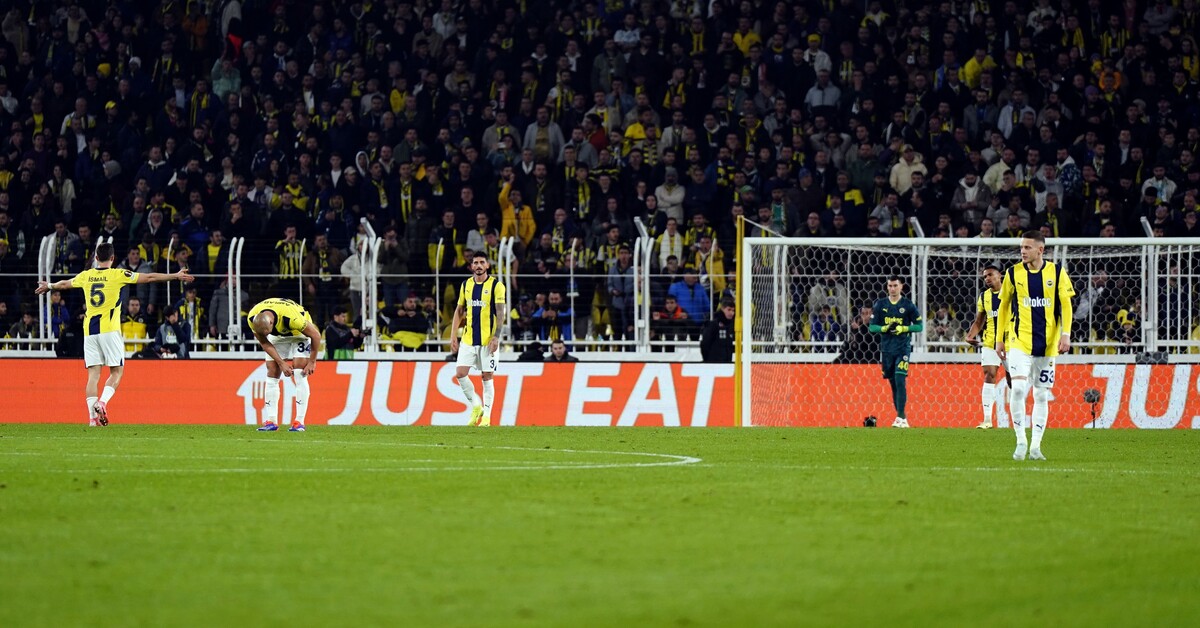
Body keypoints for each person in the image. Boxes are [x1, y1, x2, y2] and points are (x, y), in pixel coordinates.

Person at [34, 242, 193, 426]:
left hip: (90, 332)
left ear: (96, 258)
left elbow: (64, 284)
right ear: (112, 258)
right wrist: (175, 275)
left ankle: (92, 419)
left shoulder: (86, 275)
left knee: (93, 376)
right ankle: (102, 403)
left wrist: (49, 285)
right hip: (109, 330)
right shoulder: (118, 274)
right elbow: (149, 277)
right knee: (117, 372)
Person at [996, 231, 1076, 461]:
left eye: (1027, 247)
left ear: (1040, 250)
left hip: (1048, 345)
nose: (1022, 251)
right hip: (1019, 341)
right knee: (1019, 389)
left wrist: (1066, 334)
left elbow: (1066, 305)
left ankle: (1036, 447)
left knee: (1041, 394)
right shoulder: (1013, 273)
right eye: (1021, 247)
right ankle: (1021, 441)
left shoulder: (1057, 272)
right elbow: (1004, 306)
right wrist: (999, 338)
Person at [247, 297, 324, 432]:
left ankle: (299, 422)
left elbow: (316, 336)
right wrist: (281, 363)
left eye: (267, 332)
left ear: (271, 323)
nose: (266, 334)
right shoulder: (253, 319)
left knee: (300, 372)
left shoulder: (293, 318)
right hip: (278, 336)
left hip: (299, 334)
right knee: (272, 371)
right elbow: (264, 342)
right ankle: (271, 421)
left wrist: (312, 361)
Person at [450, 252, 508, 427]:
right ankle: (476, 406)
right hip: (468, 339)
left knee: (487, 376)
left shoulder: (497, 286)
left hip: (487, 340)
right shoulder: (466, 285)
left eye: (482, 262)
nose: (479, 265)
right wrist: (453, 335)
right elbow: (459, 310)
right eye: (475, 262)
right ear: (471, 266)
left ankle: (487, 417)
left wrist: (496, 337)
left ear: (487, 265)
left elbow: (500, 313)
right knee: (460, 373)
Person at [869, 277, 924, 428]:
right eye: (890, 286)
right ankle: (901, 418)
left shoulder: (907, 305)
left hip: (902, 348)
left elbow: (919, 326)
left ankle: (900, 417)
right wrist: (884, 328)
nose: (892, 289)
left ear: (901, 287)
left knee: (900, 380)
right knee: (893, 383)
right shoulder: (880, 304)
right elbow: (872, 327)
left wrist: (903, 328)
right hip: (887, 350)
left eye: (895, 285)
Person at [964, 263, 1007, 429]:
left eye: (990, 275)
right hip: (990, 342)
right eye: (985, 277)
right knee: (989, 374)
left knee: (1013, 380)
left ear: (1000, 275)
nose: (987, 279)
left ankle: (1017, 418)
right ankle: (987, 419)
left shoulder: (1011, 293)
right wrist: (970, 335)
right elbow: (979, 320)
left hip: (1011, 342)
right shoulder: (984, 297)